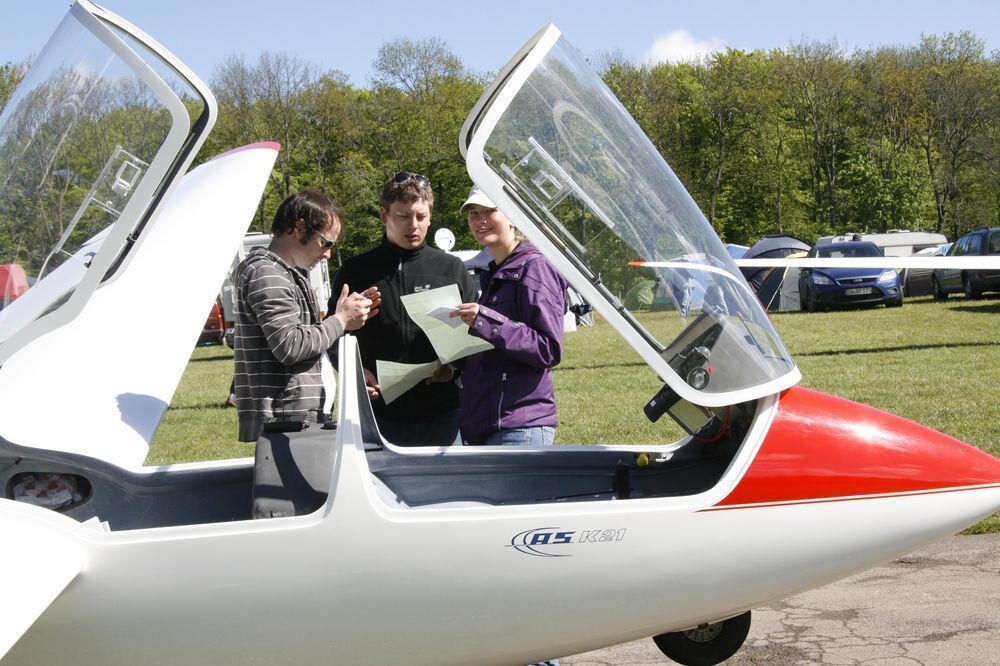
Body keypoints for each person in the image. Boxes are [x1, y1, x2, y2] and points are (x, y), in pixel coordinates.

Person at [330, 172, 476, 446]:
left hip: (443, 413)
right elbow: (331, 336)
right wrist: (355, 370)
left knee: (447, 489)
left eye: (421, 217)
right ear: (384, 215)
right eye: (403, 216)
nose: (414, 225)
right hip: (378, 414)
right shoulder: (357, 271)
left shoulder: (450, 268)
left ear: (430, 216)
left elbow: (474, 335)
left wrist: (453, 368)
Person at [234, 189, 377, 442]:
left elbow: (303, 340)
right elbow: (290, 345)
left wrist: (340, 323)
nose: (328, 254)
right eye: (326, 243)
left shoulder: (283, 273)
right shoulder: (267, 274)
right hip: (284, 424)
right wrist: (340, 320)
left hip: (294, 420)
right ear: (299, 228)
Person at [452, 187, 568, 446]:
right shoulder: (494, 272)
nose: (480, 220)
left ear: (513, 216)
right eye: (473, 214)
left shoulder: (536, 267)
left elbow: (547, 348)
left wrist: (485, 320)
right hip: (488, 424)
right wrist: (452, 364)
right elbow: (497, 352)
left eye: (489, 211)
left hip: (520, 425)